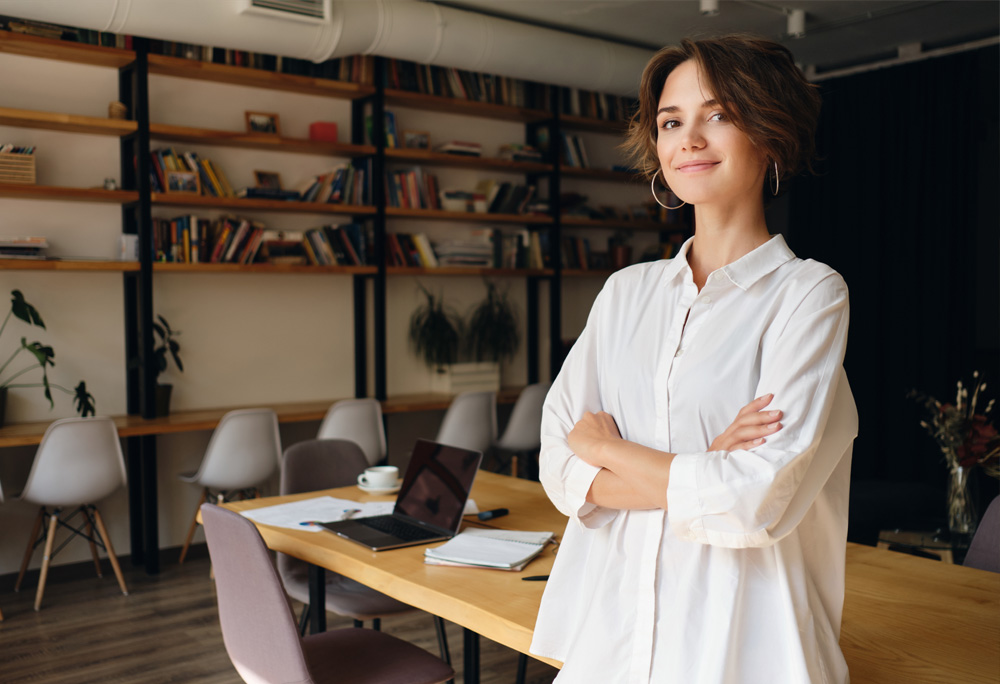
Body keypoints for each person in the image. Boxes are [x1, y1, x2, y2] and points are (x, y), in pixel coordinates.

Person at [529, 35, 858, 684]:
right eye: (671, 122)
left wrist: (611, 448)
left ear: (770, 133)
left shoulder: (810, 294)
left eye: (718, 115)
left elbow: (754, 502)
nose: (689, 139)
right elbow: (557, 466)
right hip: (614, 638)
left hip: (745, 642)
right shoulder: (626, 293)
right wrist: (708, 463)